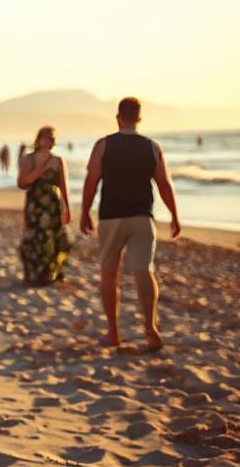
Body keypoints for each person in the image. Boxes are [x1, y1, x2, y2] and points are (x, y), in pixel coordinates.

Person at [80, 98, 180, 351]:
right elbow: (164, 184)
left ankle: (113, 332)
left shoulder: (104, 145)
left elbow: (92, 180)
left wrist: (84, 212)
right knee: (144, 271)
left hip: (111, 216)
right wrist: (175, 215)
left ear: (117, 117)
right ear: (139, 119)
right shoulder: (152, 147)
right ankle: (150, 327)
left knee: (108, 273)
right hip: (142, 216)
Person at [18, 125, 71, 284]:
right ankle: (34, 274)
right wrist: (42, 168)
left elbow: (63, 185)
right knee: (34, 237)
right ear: (39, 139)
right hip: (35, 205)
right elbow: (22, 182)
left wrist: (67, 208)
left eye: (53, 137)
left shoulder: (59, 160)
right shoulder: (29, 159)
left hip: (53, 205)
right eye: (47, 136)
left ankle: (51, 273)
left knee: (56, 237)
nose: (50, 140)